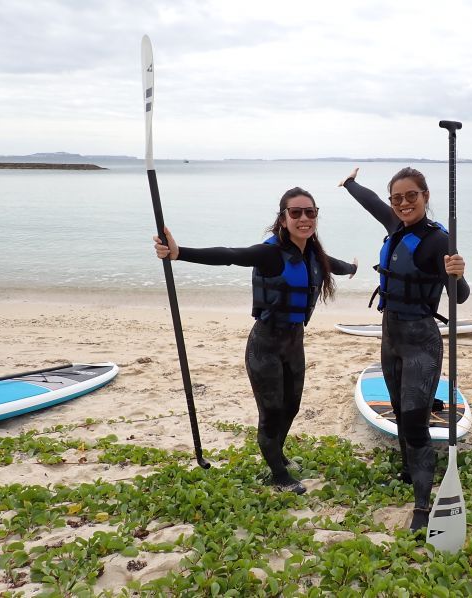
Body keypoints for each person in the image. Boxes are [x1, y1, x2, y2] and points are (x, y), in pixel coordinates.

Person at [153, 187, 357, 494]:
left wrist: (355, 269)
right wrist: (180, 253)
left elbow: (335, 265)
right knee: (272, 411)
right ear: (283, 218)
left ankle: (279, 454)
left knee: (292, 407)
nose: (304, 218)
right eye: (296, 212)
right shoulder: (270, 254)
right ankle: (278, 475)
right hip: (265, 345)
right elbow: (230, 255)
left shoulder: (314, 254)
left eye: (310, 212)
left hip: (294, 343)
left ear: (316, 216)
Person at [338, 166, 469, 532]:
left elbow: (459, 296)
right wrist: (349, 184)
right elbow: (371, 203)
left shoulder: (438, 242)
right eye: (398, 198)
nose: (403, 203)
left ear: (425, 196)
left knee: (415, 422)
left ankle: (423, 508)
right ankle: (410, 471)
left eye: (412, 195)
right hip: (390, 336)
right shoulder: (394, 223)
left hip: (420, 342)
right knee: (399, 412)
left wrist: (457, 272)